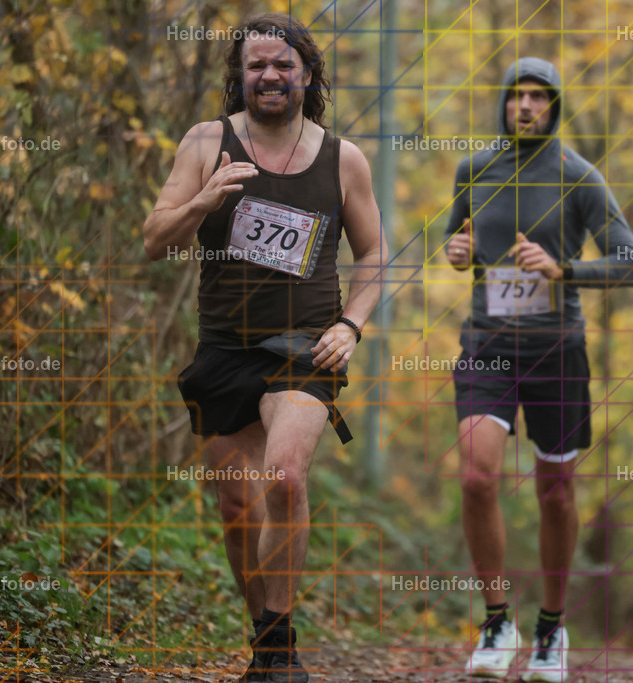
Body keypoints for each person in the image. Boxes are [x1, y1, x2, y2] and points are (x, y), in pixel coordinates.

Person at [143, 13, 386, 682]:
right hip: (224, 346)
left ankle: (279, 653)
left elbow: (374, 255)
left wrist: (352, 324)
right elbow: (154, 239)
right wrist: (202, 202)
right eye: (256, 65)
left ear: (307, 74)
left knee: (284, 476)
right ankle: (266, 636)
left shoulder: (343, 159)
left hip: (304, 349)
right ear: (239, 76)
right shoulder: (205, 142)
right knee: (235, 504)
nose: (270, 75)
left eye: (283, 64)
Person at [443, 57, 633, 682]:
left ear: (554, 107)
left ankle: (551, 631)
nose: (526, 107)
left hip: (558, 350)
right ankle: (498, 621)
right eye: (517, 96)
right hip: (488, 345)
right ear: (503, 103)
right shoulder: (474, 169)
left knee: (555, 493)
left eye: (539, 98)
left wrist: (564, 271)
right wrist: (457, 252)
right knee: (478, 479)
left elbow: (630, 263)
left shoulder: (579, 177)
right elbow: (459, 243)